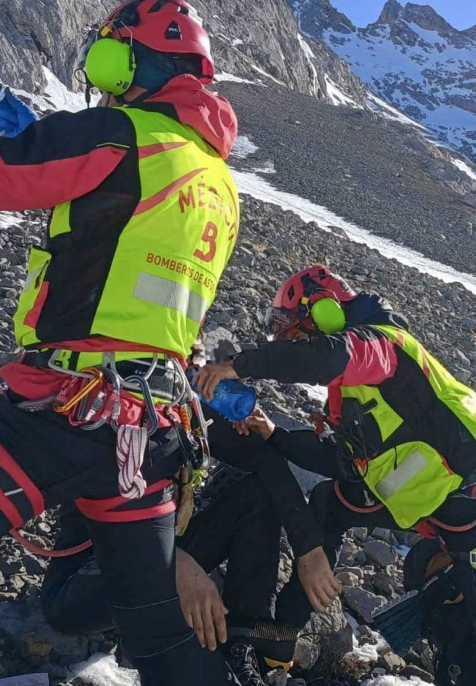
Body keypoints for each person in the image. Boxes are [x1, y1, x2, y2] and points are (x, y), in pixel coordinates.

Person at [0, 1, 242, 683]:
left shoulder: (120, 133)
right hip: (145, 434)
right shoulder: (217, 178)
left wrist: (33, 145)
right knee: (160, 632)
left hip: (62, 409)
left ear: (138, 61)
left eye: (109, 57)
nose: (100, 77)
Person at [197, 265, 476, 686]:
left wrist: (239, 366)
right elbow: (346, 465)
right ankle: (280, 641)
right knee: (330, 503)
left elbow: (328, 357)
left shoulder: (379, 346)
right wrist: (274, 435)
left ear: (326, 312)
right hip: (438, 509)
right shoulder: (356, 389)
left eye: (294, 331)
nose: (292, 342)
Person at [41, 402, 341, 686]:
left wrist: (308, 548)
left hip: (163, 548)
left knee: (257, 488)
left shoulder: (177, 400)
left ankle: (241, 638)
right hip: (89, 573)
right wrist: (170, 562)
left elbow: (263, 458)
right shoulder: (103, 409)